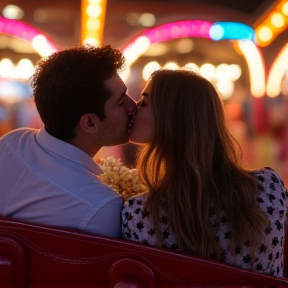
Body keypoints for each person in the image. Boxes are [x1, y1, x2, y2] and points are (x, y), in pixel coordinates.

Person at [122, 69, 287, 276]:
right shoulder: (268, 188)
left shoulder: (138, 214)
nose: (133, 109)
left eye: (143, 103)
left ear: (173, 118)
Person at [0, 44, 136, 238]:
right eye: (121, 101)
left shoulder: (11, 143)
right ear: (89, 122)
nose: (133, 106)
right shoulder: (101, 206)